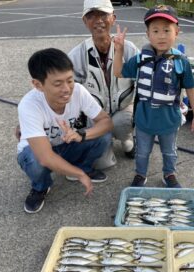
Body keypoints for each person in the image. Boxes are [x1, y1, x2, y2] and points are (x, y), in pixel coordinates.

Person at [113, 5, 194, 188]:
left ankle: (169, 174)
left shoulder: (181, 61)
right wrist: (119, 49)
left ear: (177, 32)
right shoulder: (140, 58)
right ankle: (140, 175)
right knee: (142, 152)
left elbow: (191, 88)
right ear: (148, 34)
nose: (161, 35)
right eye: (155, 30)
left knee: (169, 152)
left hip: (169, 120)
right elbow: (119, 72)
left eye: (167, 30)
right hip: (144, 120)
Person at [17, 48, 113, 214]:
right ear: (38, 85)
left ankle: (81, 167)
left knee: (103, 135)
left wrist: (81, 135)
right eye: (57, 83)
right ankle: (41, 187)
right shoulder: (29, 105)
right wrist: (81, 175)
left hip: (67, 143)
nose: (67, 89)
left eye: (70, 80)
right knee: (35, 161)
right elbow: (45, 157)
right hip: (39, 151)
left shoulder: (79, 91)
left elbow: (105, 122)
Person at [67, 0, 139, 169]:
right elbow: (65, 88)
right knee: (103, 164)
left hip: (123, 109)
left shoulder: (128, 49)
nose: (98, 20)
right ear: (85, 22)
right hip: (95, 115)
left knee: (124, 121)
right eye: (91, 16)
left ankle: (127, 139)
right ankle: (105, 141)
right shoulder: (77, 54)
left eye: (103, 15)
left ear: (113, 18)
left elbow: (144, 80)